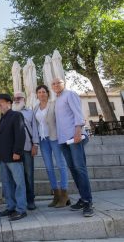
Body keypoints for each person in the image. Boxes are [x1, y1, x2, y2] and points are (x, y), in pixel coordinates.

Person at [52, 78, 94, 217]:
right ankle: (82, 198)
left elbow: (78, 113)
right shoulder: (57, 99)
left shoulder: (70, 94)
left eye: (58, 82)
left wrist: (78, 131)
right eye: (53, 84)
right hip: (64, 141)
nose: (56, 85)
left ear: (64, 84)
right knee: (74, 170)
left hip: (74, 137)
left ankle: (88, 202)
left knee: (80, 169)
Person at [34, 85, 69, 207]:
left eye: (44, 92)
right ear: (36, 95)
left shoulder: (53, 104)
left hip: (54, 138)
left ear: (48, 94)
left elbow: (61, 119)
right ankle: (56, 195)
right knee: (49, 168)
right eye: (39, 92)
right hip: (43, 140)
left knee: (61, 165)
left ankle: (64, 194)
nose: (42, 94)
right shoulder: (35, 108)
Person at [0, 93, 27, 221]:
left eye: (1, 102)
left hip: (14, 157)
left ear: (9, 103)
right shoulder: (2, 118)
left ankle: (21, 209)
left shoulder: (16, 115)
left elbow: (20, 134)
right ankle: (11, 207)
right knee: (7, 184)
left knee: (19, 183)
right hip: (3, 158)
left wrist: (17, 152)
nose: (0, 105)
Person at [12, 91, 39, 210]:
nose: (17, 99)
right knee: (17, 177)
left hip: (27, 148)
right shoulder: (10, 113)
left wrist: (35, 144)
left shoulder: (30, 112)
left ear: (24, 99)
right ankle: (19, 201)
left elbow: (34, 129)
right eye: (15, 98)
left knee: (29, 175)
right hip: (13, 151)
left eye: (19, 98)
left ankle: (30, 200)